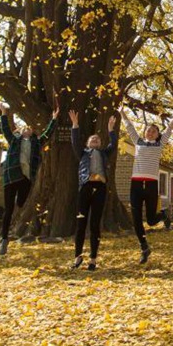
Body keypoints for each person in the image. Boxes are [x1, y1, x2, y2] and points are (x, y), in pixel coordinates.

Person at [120, 104, 173, 264]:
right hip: (135, 184)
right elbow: (129, 127)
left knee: (150, 220)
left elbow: (169, 128)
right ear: (144, 133)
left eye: (154, 131)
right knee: (136, 220)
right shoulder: (138, 142)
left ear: (157, 135)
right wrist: (122, 113)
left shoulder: (159, 144)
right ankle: (144, 247)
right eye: (148, 130)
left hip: (151, 185)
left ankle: (163, 215)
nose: (150, 132)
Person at [0, 101, 57, 256]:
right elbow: (5, 129)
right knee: (8, 209)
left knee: (22, 201)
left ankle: (18, 208)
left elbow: (48, 134)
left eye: (29, 128)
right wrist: (4, 113)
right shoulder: (14, 141)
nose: (27, 130)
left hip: (26, 178)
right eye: (24, 128)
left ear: (32, 132)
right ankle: (4, 240)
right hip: (11, 177)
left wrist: (54, 119)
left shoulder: (36, 143)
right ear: (20, 131)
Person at [69, 109, 118, 270]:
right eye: (92, 139)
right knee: (81, 223)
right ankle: (77, 257)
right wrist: (75, 125)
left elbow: (113, 144)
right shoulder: (82, 153)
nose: (95, 140)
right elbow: (75, 142)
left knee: (95, 224)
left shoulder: (104, 153)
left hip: (100, 188)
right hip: (86, 187)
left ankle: (93, 259)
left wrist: (110, 129)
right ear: (88, 143)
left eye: (97, 139)